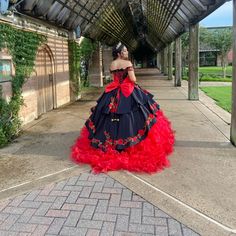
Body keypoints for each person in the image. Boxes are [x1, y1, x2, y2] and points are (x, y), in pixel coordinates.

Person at [71, 42, 175, 173]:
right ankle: (128, 145)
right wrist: (133, 79)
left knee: (107, 117)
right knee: (135, 116)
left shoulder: (112, 64)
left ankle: (109, 143)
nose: (126, 52)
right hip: (128, 92)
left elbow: (114, 78)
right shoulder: (128, 63)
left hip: (113, 93)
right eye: (125, 51)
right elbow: (133, 79)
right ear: (120, 53)